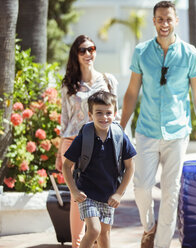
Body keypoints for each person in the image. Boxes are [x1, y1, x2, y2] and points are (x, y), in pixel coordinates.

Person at [120, 1, 196, 247]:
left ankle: (161, 245)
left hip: (177, 132)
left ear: (176, 21)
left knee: (171, 193)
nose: (164, 24)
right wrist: (119, 128)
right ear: (154, 21)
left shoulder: (190, 53)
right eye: (160, 19)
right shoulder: (142, 52)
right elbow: (131, 92)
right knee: (141, 187)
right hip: (147, 130)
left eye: (168, 19)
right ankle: (149, 228)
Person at [55, 34, 120, 248]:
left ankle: (96, 241)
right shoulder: (69, 85)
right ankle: (77, 243)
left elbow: (115, 116)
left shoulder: (108, 80)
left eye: (91, 49)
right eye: (82, 50)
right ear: (76, 54)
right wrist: (59, 153)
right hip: (73, 141)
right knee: (78, 195)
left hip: (100, 144)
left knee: (100, 190)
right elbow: (65, 120)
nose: (87, 54)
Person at [62, 90, 136, 248]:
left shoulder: (120, 137)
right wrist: (74, 191)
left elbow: (130, 168)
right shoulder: (84, 137)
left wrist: (118, 193)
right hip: (86, 194)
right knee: (94, 230)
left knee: (104, 235)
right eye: (99, 113)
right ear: (90, 115)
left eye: (108, 113)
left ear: (115, 113)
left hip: (108, 195)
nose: (104, 117)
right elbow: (66, 166)